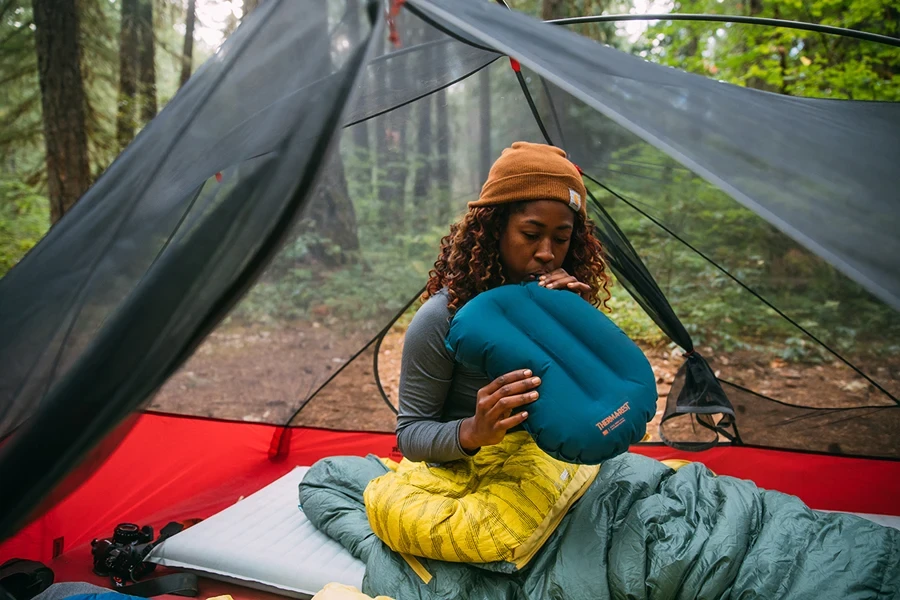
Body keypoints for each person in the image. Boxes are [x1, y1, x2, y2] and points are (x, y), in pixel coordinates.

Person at [396, 141, 612, 463]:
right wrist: (472, 431)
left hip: (552, 466)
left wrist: (580, 329)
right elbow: (410, 434)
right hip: (469, 474)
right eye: (530, 234)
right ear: (493, 230)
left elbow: (592, 404)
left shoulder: (564, 304)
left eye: (561, 238)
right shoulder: (442, 318)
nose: (547, 253)